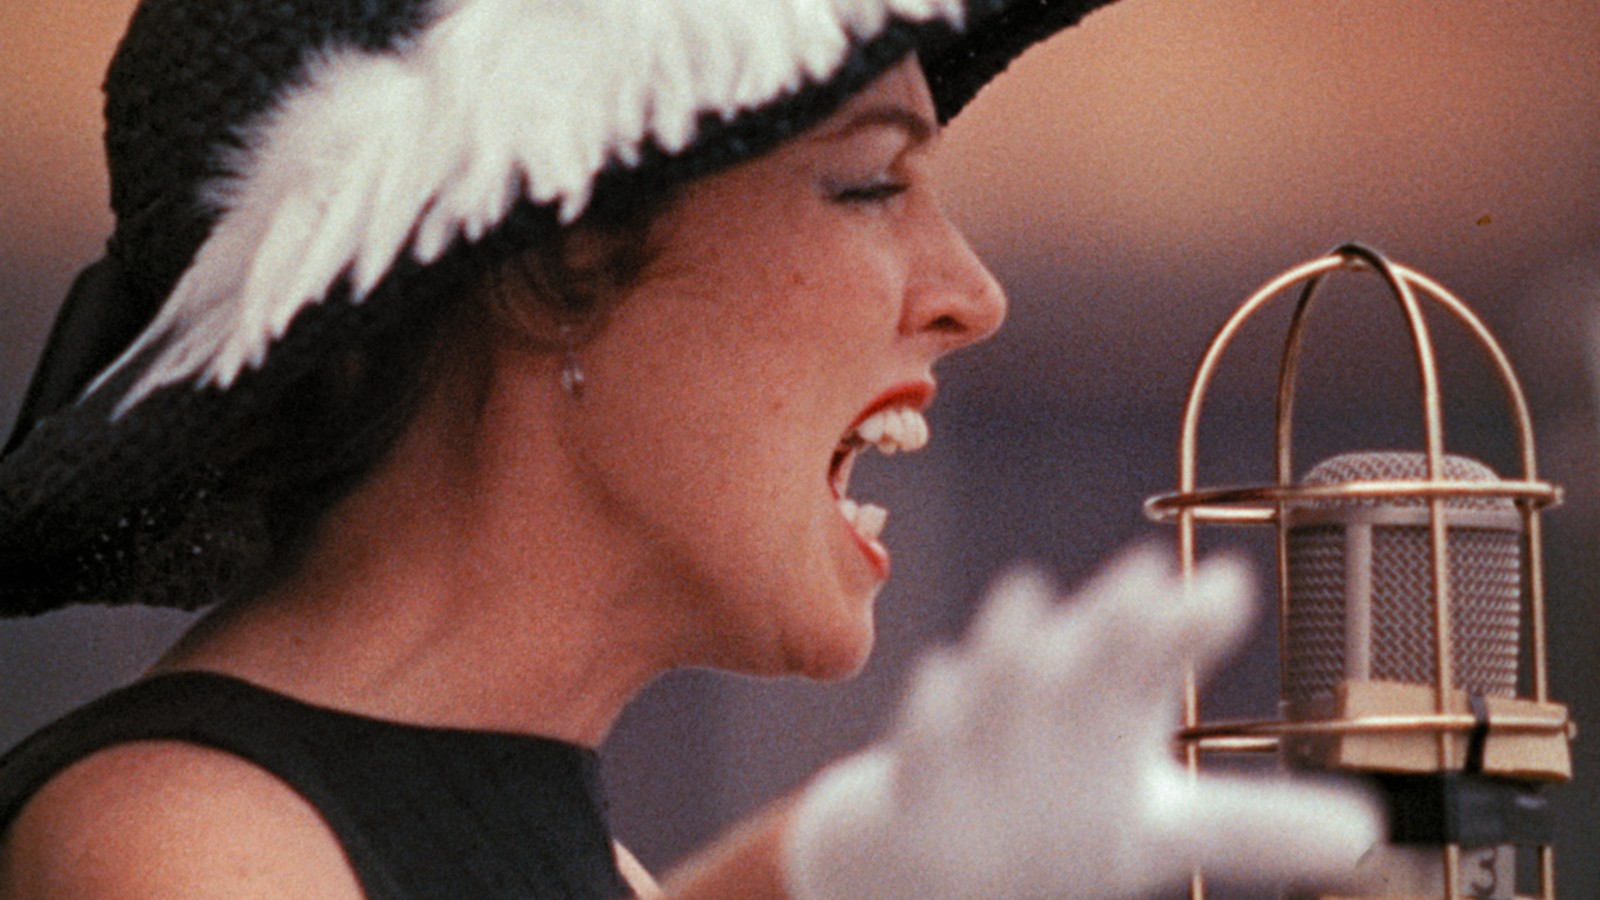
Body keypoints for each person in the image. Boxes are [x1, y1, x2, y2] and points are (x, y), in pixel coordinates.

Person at [0, 0, 1383, 897]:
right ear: (555, 253)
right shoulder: (182, 846)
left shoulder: (547, 846)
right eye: (869, 182)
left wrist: (825, 870)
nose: (973, 294)